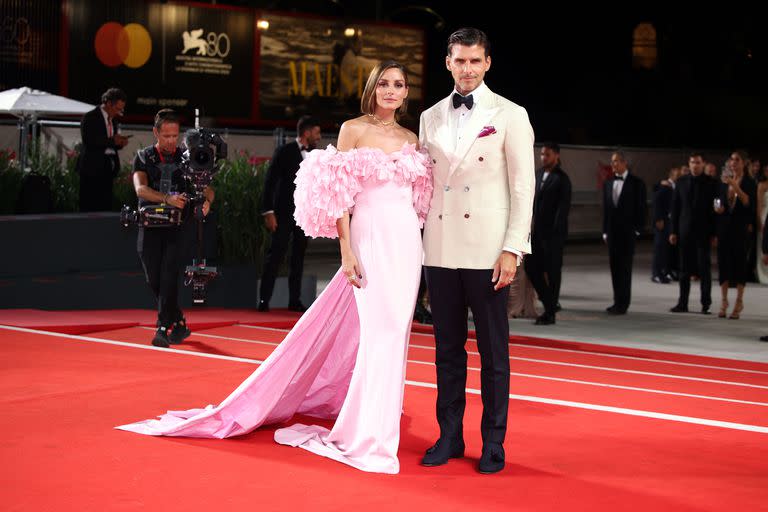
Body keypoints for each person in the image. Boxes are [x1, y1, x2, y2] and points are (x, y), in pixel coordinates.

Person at [117, 61, 433, 475]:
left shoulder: (412, 138)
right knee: (378, 332)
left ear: (406, 93)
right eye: (385, 84)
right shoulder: (354, 129)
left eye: (399, 85)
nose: (392, 91)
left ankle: (381, 422)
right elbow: (339, 195)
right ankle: (366, 432)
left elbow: (417, 200)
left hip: (407, 242)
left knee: (397, 332)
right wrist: (346, 249)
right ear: (373, 89)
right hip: (369, 237)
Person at [418, 27, 535, 474]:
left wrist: (513, 248)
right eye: (459, 60)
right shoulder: (429, 117)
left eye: (475, 61)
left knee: (493, 352)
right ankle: (449, 436)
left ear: (487, 63)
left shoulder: (510, 113)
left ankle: (493, 442)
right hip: (441, 250)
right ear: (447, 63)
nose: (466, 69)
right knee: (447, 350)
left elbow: (523, 187)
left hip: (489, 252)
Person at [131, 109, 213, 347]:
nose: (171, 141)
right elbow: (140, 190)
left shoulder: (189, 157)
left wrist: (207, 201)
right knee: (153, 278)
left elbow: (207, 187)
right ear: (156, 132)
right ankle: (178, 320)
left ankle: (162, 328)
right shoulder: (143, 157)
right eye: (166, 135)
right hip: (149, 226)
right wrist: (166, 198)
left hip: (178, 228)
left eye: (174, 136)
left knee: (168, 276)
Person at [258, 116, 322, 313]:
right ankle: (264, 300)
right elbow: (270, 182)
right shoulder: (284, 151)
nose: (319, 137)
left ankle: (295, 300)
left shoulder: (316, 155)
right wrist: (268, 211)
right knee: (275, 256)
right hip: (283, 213)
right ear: (307, 132)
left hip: (304, 216)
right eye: (317, 133)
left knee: (299, 258)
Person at [524, 142, 571, 325]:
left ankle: (550, 312)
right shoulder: (537, 174)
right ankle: (550, 304)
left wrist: (555, 237)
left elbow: (563, 210)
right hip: (536, 235)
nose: (544, 158)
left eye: (548, 154)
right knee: (531, 269)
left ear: (557, 156)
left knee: (552, 273)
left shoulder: (563, 179)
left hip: (553, 237)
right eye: (542, 154)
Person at [669, 154, 717, 314]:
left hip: (704, 232)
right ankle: (682, 303)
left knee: (704, 269)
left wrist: (715, 233)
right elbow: (675, 208)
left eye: (698, 162)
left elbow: (715, 211)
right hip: (685, 232)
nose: (695, 165)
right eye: (692, 162)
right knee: (684, 269)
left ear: (703, 164)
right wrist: (673, 231)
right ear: (688, 164)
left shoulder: (711, 183)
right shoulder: (681, 182)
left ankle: (706, 303)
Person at [602, 151, 646, 315]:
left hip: (628, 233)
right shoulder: (608, 183)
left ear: (624, 163)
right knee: (614, 268)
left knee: (625, 269)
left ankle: (623, 303)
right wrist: (604, 231)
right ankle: (616, 301)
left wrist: (637, 230)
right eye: (612, 162)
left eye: (616, 161)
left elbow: (641, 208)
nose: (613, 164)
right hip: (612, 233)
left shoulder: (637, 183)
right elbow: (606, 209)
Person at [714, 150, 756, 319]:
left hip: (740, 229)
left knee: (739, 265)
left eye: (737, 160)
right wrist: (718, 207)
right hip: (724, 228)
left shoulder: (749, 182)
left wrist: (735, 185)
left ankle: (739, 301)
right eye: (731, 159)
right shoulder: (724, 181)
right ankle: (724, 301)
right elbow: (717, 199)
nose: (733, 162)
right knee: (723, 263)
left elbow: (747, 202)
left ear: (744, 162)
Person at [77, 88, 129, 211]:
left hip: (107, 168)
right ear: (108, 103)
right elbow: (89, 141)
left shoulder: (114, 121)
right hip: (91, 168)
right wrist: (113, 141)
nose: (118, 112)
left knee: (105, 205)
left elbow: (110, 143)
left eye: (121, 110)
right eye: (117, 109)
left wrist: (120, 143)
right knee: (89, 205)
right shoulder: (90, 117)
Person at [651, 167, 679, 284]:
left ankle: (666, 271)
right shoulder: (665, 186)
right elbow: (657, 201)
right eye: (678, 174)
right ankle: (656, 273)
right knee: (660, 247)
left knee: (667, 248)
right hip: (662, 221)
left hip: (670, 222)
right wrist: (658, 218)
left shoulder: (675, 186)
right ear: (672, 175)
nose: (680, 176)